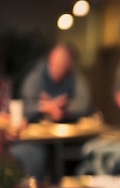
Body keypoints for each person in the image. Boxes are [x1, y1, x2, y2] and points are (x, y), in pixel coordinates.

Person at [15, 42, 91, 179]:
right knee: (34, 157)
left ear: (70, 65)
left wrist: (64, 108)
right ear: (50, 59)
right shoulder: (36, 76)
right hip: (38, 139)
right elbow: (24, 105)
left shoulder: (75, 77)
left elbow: (84, 103)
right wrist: (45, 107)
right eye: (56, 64)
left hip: (69, 138)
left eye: (63, 66)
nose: (58, 69)